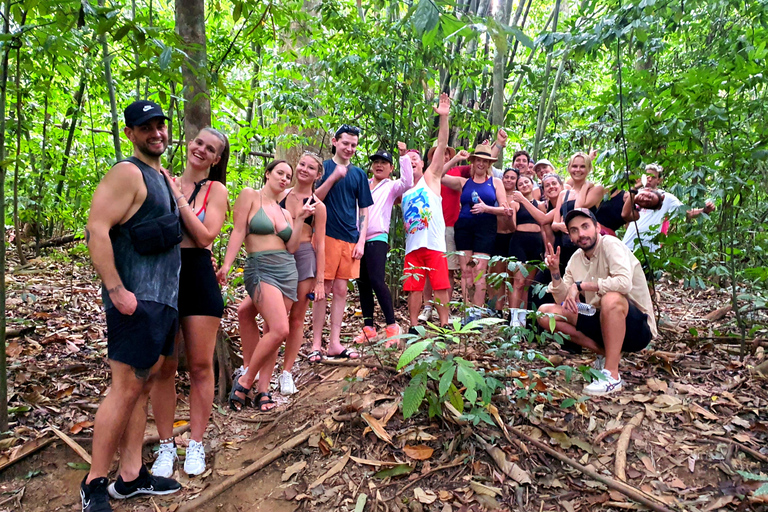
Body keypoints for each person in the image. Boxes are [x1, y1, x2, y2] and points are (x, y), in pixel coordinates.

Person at [81, 100, 182, 512]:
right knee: (125, 388)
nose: (156, 132)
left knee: (140, 388)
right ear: (131, 133)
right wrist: (117, 289)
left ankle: (131, 477)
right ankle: (93, 484)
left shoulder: (159, 177)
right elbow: (96, 229)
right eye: (146, 127)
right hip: (135, 301)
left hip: (162, 301)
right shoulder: (128, 172)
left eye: (160, 125)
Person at [148, 128, 229, 478]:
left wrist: (179, 197)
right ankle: (166, 445)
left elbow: (205, 235)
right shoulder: (159, 178)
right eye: (198, 142)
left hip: (197, 275)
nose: (201, 149)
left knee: (199, 365)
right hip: (163, 275)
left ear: (215, 160)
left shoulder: (217, 190)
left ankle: (195, 443)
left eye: (210, 149)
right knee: (163, 367)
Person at [218, 160, 314, 412]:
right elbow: (238, 231)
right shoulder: (250, 196)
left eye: (288, 176)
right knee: (281, 329)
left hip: (287, 271)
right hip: (260, 268)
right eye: (280, 173)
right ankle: (246, 380)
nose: (284, 178)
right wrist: (227, 265)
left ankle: (263, 390)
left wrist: (301, 218)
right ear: (268, 173)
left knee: (273, 330)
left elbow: (292, 247)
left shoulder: (284, 212)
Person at [537, 208, 657, 396]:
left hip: (635, 326)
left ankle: (612, 375)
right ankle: (606, 353)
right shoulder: (576, 259)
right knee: (545, 313)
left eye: (585, 227)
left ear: (597, 227)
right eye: (574, 230)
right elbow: (562, 300)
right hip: (600, 319)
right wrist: (554, 272)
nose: (581, 234)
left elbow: (624, 284)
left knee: (611, 298)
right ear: (570, 236)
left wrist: (582, 285)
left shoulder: (610, 244)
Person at [235, 152, 327, 392]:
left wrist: (320, 280)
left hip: (303, 258)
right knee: (250, 312)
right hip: (272, 260)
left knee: (294, 319)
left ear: (318, 175)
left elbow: (322, 243)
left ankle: (285, 373)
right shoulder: (280, 194)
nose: (304, 170)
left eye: (311, 168)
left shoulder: (318, 205)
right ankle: (252, 370)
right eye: (302, 165)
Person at [310, 125, 373, 360]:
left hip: (350, 237)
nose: (349, 148)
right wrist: (334, 177)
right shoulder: (323, 168)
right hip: (325, 235)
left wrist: (362, 240)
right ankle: (316, 344)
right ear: (335, 142)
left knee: (340, 290)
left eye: (354, 145)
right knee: (321, 290)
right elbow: (314, 199)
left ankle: (334, 343)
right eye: (346, 143)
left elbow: (364, 208)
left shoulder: (359, 175)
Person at [441, 142, 510, 321]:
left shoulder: (495, 182)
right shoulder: (463, 182)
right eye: (478, 160)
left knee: (479, 269)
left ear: (489, 164)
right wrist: (455, 159)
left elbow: (505, 209)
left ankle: (477, 313)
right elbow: (438, 175)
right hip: (464, 227)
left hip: (485, 227)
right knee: (466, 270)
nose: (481, 164)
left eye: (485, 161)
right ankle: (467, 312)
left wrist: (487, 208)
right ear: (472, 162)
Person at [401, 93, 452, 332]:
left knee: (440, 284)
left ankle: (444, 323)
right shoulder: (403, 190)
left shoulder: (431, 178)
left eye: (415, 158)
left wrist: (444, 118)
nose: (411, 161)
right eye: (407, 159)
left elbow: (442, 145)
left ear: (422, 163)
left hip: (433, 243)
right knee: (413, 286)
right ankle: (413, 327)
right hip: (413, 245)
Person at [354, 144, 414, 346]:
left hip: (377, 237)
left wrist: (404, 156)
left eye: (384, 163)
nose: (379, 166)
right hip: (357, 239)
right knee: (362, 283)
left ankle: (392, 326)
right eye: (376, 162)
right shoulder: (363, 183)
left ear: (390, 168)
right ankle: (368, 328)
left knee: (377, 280)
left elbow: (407, 182)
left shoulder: (390, 186)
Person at [622, 164, 715, 252]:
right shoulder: (634, 193)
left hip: (649, 249)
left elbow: (688, 212)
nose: (649, 179)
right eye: (647, 176)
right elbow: (625, 215)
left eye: (653, 177)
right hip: (628, 245)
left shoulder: (666, 198)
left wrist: (704, 210)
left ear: (659, 180)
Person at [552, 152, 603, 273]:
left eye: (582, 166)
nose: (578, 170)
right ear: (569, 168)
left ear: (589, 168)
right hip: (564, 244)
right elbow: (554, 224)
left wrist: (585, 186)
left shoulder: (596, 189)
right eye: (574, 166)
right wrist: (561, 226)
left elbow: (578, 207)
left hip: (585, 244)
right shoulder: (564, 194)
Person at [509, 174, 549, 326]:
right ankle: (513, 319)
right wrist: (508, 216)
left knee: (527, 284)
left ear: (532, 184)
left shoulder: (540, 205)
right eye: (520, 183)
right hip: (519, 242)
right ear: (517, 188)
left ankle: (523, 319)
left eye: (527, 182)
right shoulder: (515, 203)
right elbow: (512, 227)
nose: (524, 185)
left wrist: (546, 249)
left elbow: (544, 228)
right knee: (518, 282)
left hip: (536, 242)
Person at [489, 167, 519, 315]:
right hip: (497, 236)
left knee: (512, 275)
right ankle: (497, 308)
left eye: (512, 178)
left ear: (517, 181)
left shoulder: (518, 198)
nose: (508, 180)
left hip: (513, 238)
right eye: (506, 177)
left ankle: (512, 310)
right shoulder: (495, 195)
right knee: (497, 274)